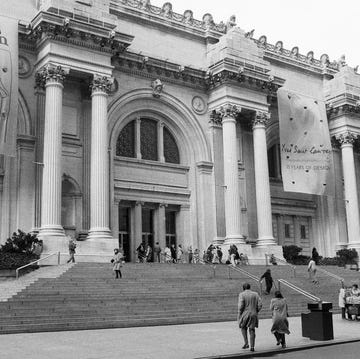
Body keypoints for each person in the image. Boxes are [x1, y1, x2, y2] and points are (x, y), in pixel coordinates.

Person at [237, 282, 262, 352]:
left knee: (243, 327)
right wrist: (256, 310)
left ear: (243, 288)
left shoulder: (242, 294)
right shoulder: (256, 294)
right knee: (252, 329)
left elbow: (241, 305)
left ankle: (246, 343)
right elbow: (260, 304)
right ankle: (252, 346)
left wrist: (239, 314)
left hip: (245, 313)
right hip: (254, 313)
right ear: (249, 287)